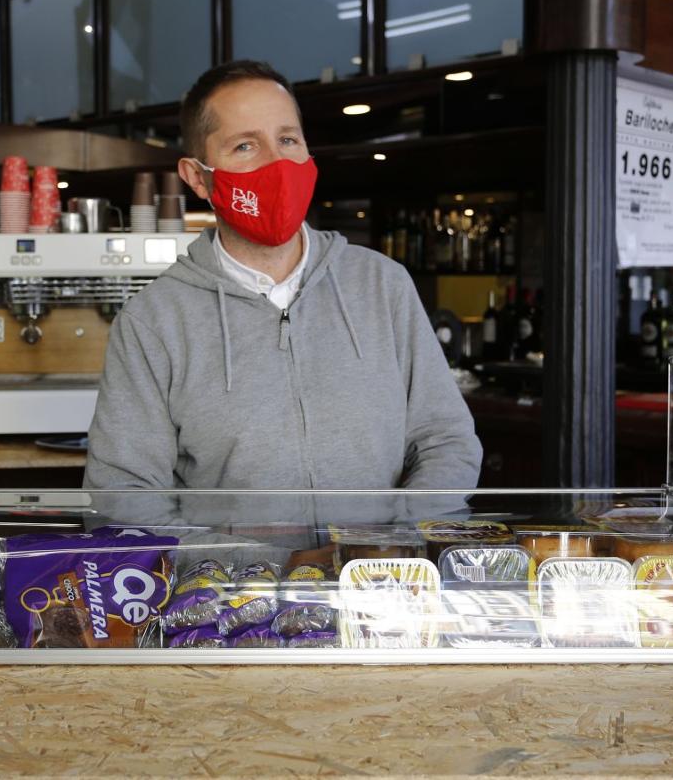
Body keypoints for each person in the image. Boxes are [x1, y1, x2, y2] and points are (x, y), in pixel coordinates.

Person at [84, 60, 482, 491]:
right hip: (225, 543)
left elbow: (446, 441)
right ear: (198, 177)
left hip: (379, 541)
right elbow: (123, 491)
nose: (277, 163)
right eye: (245, 146)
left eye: (288, 140)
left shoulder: (382, 286)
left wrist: (399, 530)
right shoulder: (153, 321)